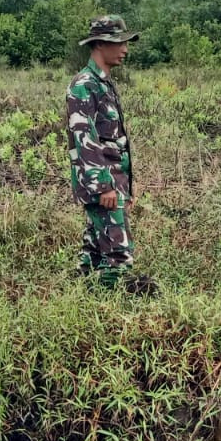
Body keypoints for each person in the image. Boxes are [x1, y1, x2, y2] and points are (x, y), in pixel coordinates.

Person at [65, 15, 153, 292]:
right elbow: (85, 139)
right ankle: (113, 308)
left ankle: (83, 299)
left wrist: (123, 186)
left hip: (114, 181)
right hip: (101, 184)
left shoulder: (103, 83)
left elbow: (114, 141)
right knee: (118, 253)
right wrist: (104, 186)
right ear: (101, 44)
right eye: (120, 42)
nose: (125, 49)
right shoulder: (84, 84)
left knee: (93, 249)